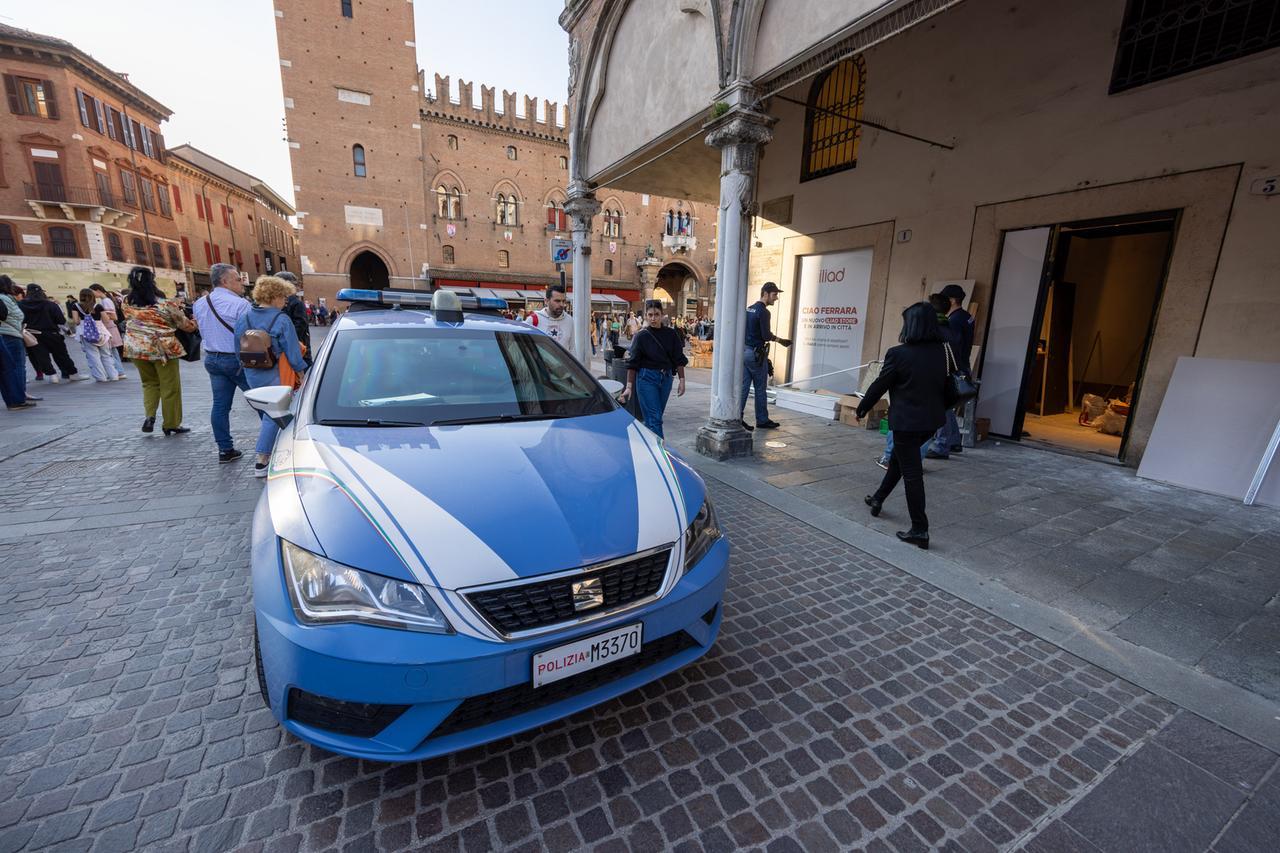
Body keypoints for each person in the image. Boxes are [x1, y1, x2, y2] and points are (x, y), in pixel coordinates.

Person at [856, 302, 951, 550]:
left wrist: (863, 406)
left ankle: (920, 529)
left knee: (912, 473)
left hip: (907, 423)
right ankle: (878, 498)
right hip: (931, 422)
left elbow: (880, 384)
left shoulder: (898, 354)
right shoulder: (941, 351)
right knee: (900, 461)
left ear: (912, 325)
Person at [234, 276, 307, 478]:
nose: (285, 301)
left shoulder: (244, 318)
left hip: (252, 373)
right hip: (276, 372)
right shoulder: (281, 319)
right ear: (274, 297)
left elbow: (237, 349)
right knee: (273, 412)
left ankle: (275, 449)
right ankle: (262, 459)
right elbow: (293, 352)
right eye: (283, 297)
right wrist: (302, 374)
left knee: (269, 411)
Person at [123, 266, 197, 436]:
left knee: (149, 383)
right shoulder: (164, 304)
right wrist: (195, 323)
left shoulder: (126, 302)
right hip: (163, 349)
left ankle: (150, 416)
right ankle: (171, 423)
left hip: (136, 348)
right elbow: (186, 326)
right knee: (170, 387)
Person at [194, 263, 252, 463]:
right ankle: (272, 444)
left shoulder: (200, 303)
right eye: (238, 279)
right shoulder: (240, 304)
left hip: (212, 358)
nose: (242, 283)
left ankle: (225, 449)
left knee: (220, 405)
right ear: (224, 281)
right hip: (236, 359)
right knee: (262, 401)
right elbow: (249, 334)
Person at [618, 300, 688, 438]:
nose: (653, 318)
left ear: (662, 315)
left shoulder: (671, 334)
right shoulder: (641, 336)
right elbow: (633, 362)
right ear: (646, 316)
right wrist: (629, 387)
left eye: (656, 314)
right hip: (646, 378)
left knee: (654, 418)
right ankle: (659, 449)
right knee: (655, 419)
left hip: (666, 379)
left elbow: (679, 358)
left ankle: (644, 443)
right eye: (650, 315)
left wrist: (682, 380)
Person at [927, 283, 976, 459]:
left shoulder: (953, 321)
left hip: (952, 368)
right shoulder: (967, 317)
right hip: (962, 365)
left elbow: (950, 347)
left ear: (953, 300)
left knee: (941, 406)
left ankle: (941, 445)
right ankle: (954, 441)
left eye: (945, 299)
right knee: (948, 405)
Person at [740, 282, 792, 431]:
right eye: (774, 295)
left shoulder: (749, 309)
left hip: (746, 352)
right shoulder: (764, 312)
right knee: (760, 388)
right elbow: (766, 335)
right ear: (765, 294)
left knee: (744, 387)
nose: (776, 298)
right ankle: (762, 419)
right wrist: (781, 341)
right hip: (756, 355)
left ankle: (737, 417)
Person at [20, 284, 86, 384]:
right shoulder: (50, 304)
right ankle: (73, 374)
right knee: (61, 355)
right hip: (52, 333)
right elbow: (60, 320)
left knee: (41, 356)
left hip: (32, 335)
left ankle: (52, 376)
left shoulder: (21, 305)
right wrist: (66, 331)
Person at [67, 289, 122, 382]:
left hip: (86, 333)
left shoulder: (76, 306)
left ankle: (101, 377)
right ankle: (113, 376)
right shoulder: (98, 306)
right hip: (101, 332)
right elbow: (106, 320)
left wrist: (83, 320)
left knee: (93, 356)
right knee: (106, 355)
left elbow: (76, 321)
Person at [0, 276, 37, 410]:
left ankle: (14, 400)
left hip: (7, 334)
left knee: (6, 369)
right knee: (10, 368)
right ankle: (16, 399)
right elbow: (10, 315)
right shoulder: (4, 298)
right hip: (9, 334)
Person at [525, 284, 575, 354]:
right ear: (546, 301)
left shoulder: (569, 320)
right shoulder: (533, 320)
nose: (561, 304)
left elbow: (572, 349)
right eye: (557, 301)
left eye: (563, 301)